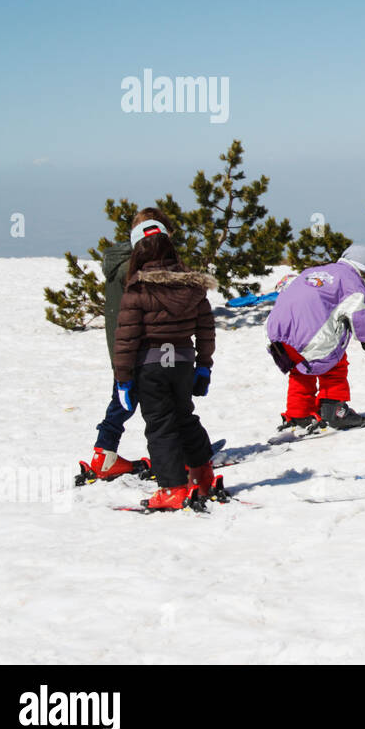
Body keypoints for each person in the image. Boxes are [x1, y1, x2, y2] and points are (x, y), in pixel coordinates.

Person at [112, 218, 217, 510]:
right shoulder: (194, 287)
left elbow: (126, 339)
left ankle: (172, 488)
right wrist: (204, 365)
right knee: (184, 417)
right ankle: (202, 474)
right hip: (182, 362)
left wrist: (123, 378)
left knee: (160, 426)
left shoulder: (138, 290)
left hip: (151, 365)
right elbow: (206, 330)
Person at [80, 207, 173, 482]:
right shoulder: (136, 267)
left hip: (121, 347)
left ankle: (104, 452)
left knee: (124, 401)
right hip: (141, 349)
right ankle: (173, 454)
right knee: (160, 404)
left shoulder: (119, 260)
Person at [265, 245, 365, 430]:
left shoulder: (314, 271)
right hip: (309, 338)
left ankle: (299, 414)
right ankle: (334, 410)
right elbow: (359, 313)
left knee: (301, 368)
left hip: (277, 335)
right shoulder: (352, 281)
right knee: (335, 363)